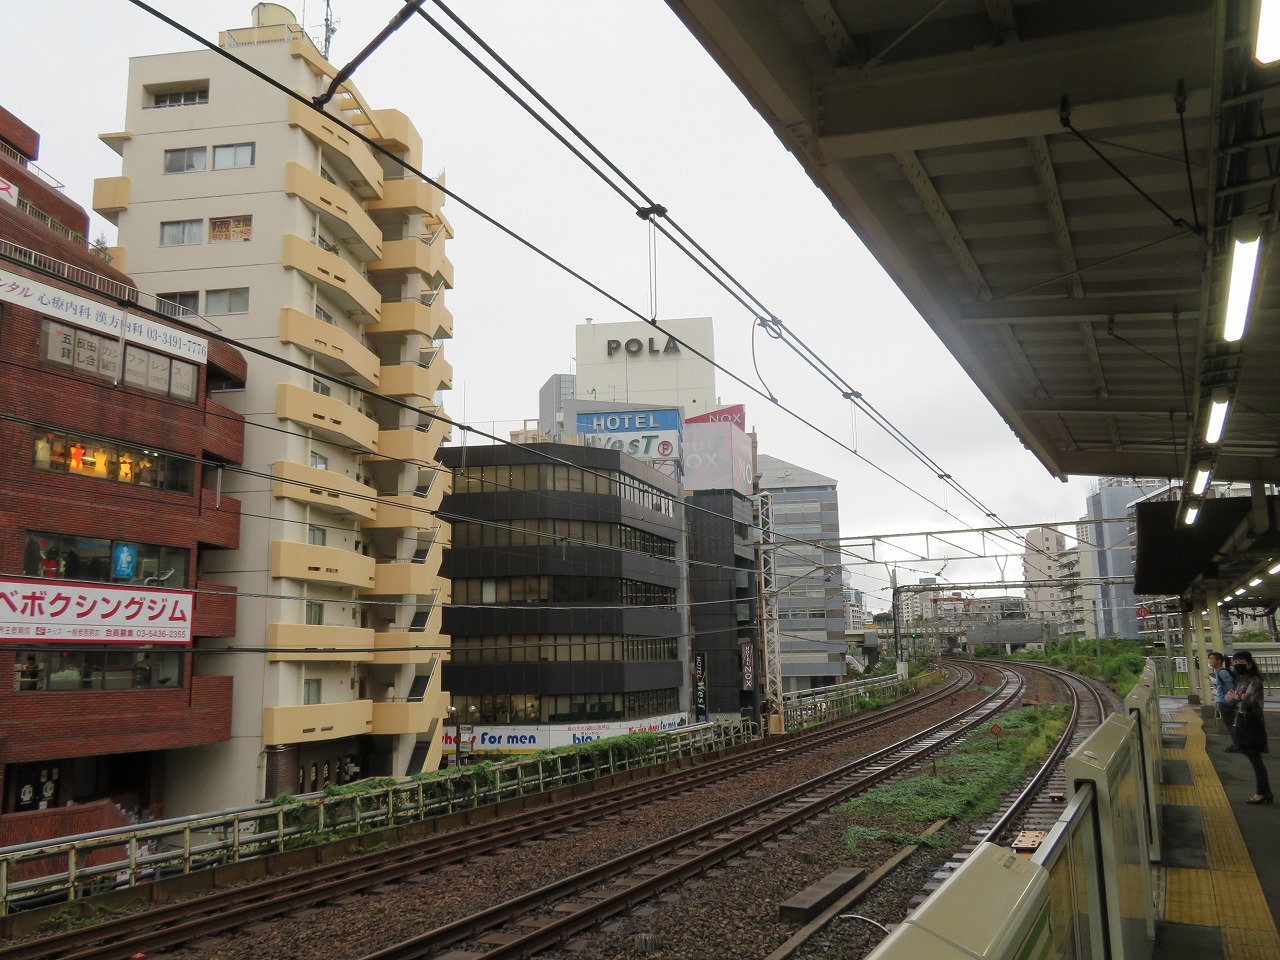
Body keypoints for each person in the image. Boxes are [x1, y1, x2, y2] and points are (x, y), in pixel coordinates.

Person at [1227, 651, 1272, 804]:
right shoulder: (1241, 680)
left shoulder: (1255, 681)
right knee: (1254, 758)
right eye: (1236, 662)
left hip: (1253, 723)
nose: (1238, 665)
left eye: (1241, 663)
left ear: (1250, 664)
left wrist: (1236, 697)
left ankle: (1262, 793)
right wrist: (1238, 697)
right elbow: (1231, 699)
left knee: (1255, 758)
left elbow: (1250, 700)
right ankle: (1265, 792)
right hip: (1243, 722)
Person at [1208, 651, 1237, 750]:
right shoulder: (1219, 671)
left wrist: (1231, 695)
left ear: (1219, 661)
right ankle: (1236, 744)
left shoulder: (1222, 672)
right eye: (1210, 659)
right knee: (1229, 724)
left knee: (1230, 724)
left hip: (1225, 701)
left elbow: (1229, 682)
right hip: (1223, 700)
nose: (1210, 661)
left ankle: (1236, 745)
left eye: (1212, 659)